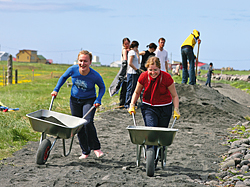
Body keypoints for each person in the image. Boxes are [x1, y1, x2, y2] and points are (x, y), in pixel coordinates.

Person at [51, 50, 106, 159]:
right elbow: (63, 78)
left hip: (89, 101)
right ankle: (85, 151)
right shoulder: (73, 70)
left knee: (87, 122)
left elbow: (102, 87)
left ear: (90, 62)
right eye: (80, 61)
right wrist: (56, 90)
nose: (82, 63)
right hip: (75, 100)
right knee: (78, 125)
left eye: (85, 61)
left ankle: (96, 148)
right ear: (78, 61)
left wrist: (98, 99)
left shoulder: (94, 75)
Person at [128, 56, 180, 167]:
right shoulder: (143, 77)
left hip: (165, 107)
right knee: (151, 131)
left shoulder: (166, 77)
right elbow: (136, 92)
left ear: (160, 69)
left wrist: (176, 109)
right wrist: (132, 104)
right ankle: (151, 156)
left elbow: (174, 95)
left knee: (162, 133)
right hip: (148, 107)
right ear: (147, 69)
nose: (153, 72)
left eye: (155, 70)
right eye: (150, 70)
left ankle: (160, 151)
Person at [124, 40, 141, 109]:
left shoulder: (134, 52)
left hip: (135, 73)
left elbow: (138, 61)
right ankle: (127, 104)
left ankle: (132, 103)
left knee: (134, 89)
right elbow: (130, 63)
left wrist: (138, 53)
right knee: (130, 89)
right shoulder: (131, 52)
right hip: (132, 73)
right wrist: (136, 69)